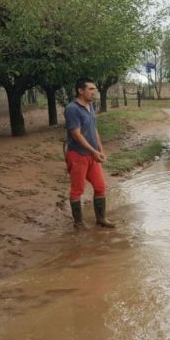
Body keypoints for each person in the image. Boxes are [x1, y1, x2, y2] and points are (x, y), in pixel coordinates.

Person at [64, 78, 116, 229]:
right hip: (78, 155)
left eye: (95, 89)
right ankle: (78, 223)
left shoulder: (90, 106)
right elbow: (76, 134)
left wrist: (100, 149)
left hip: (92, 155)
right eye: (91, 89)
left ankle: (101, 219)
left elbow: (94, 129)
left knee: (100, 187)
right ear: (80, 90)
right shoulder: (72, 109)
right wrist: (93, 151)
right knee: (77, 189)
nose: (94, 92)